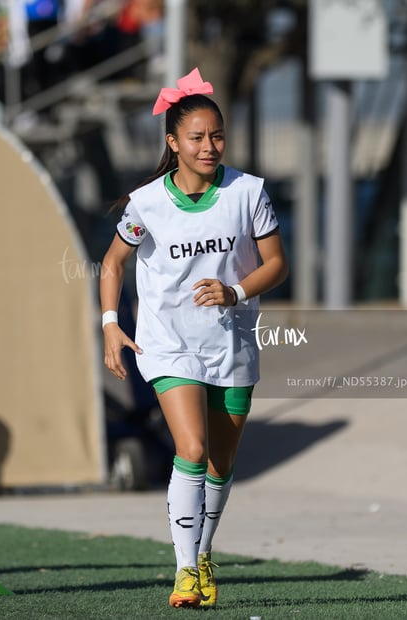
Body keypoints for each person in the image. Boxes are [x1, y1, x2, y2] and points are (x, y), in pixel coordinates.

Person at [100, 67, 288, 609]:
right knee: (192, 447)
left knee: (221, 466)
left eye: (217, 136)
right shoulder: (146, 204)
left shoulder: (248, 192)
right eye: (197, 137)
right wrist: (112, 325)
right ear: (173, 143)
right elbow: (113, 263)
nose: (209, 147)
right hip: (168, 344)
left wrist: (234, 292)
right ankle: (185, 572)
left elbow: (276, 264)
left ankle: (203, 552)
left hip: (232, 343)